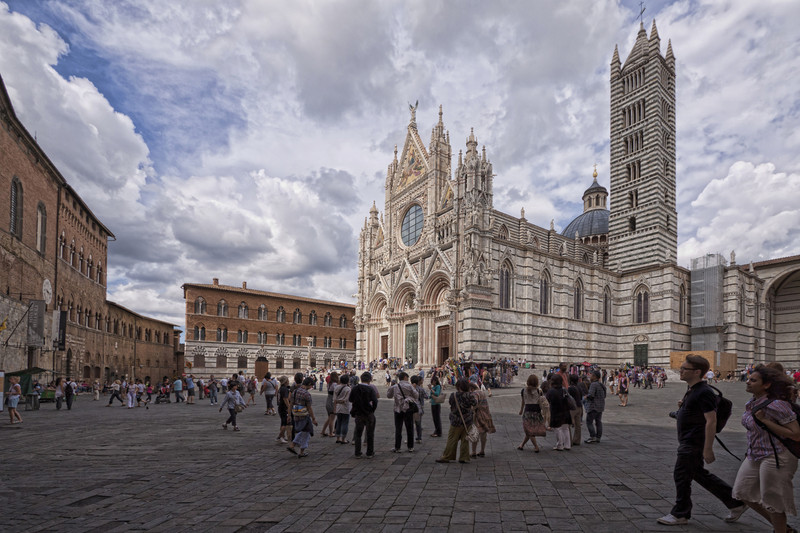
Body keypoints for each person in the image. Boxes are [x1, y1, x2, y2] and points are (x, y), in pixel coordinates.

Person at [657, 354, 745, 526]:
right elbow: (696, 415)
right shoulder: (693, 390)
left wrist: (708, 448)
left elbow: (711, 420)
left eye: (684, 368)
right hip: (688, 440)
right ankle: (736, 502)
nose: (680, 371)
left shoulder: (704, 392)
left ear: (697, 372)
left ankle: (680, 513)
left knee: (681, 475)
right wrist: (682, 411)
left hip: (693, 442)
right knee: (698, 474)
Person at [731, 365, 800, 532]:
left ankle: (780, 529)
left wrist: (766, 421)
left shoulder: (777, 405)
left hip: (777, 456)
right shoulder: (752, 402)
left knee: (773, 501)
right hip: (755, 454)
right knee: (742, 491)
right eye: (748, 378)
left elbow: (796, 434)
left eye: (753, 380)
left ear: (766, 385)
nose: (747, 382)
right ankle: (782, 527)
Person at [435, 378, 477, 463]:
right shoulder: (470, 395)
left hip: (456, 420)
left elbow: (451, 403)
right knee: (465, 439)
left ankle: (447, 456)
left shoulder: (453, 395)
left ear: (458, 386)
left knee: (452, 439)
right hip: (467, 420)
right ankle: (464, 457)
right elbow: (475, 403)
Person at [387, 371, 419, 453]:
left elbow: (389, 396)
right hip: (408, 409)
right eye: (407, 377)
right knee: (410, 427)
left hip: (397, 409)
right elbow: (416, 395)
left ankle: (397, 447)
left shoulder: (395, 386)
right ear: (405, 377)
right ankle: (410, 447)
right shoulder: (410, 386)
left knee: (398, 428)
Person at [349, 372, 378, 458]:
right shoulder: (371, 389)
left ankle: (357, 452)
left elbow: (350, 399)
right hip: (368, 413)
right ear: (370, 380)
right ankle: (369, 452)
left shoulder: (355, 388)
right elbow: (375, 401)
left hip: (358, 413)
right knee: (370, 433)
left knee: (358, 433)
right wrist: (372, 410)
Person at [287, 377, 318, 457]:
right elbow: (309, 408)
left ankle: (295, 446)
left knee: (304, 431)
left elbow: (291, 404)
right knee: (307, 431)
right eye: (311, 386)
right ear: (308, 384)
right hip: (304, 415)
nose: (311, 387)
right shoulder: (306, 394)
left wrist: (289, 415)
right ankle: (298, 449)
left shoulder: (295, 391)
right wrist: (313, 419)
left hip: (296, 414)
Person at [519, 374, 546, 452]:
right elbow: (542, 401)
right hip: (536, 411)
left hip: (527, 411)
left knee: (529, 429)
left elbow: (523, 401)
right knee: (529, 429)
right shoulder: (539, 390)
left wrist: (521, 410)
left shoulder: (523, 390)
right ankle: (522, 445)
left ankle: (536, 446)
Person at [546, 374, 572, 451]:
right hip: (565, 411)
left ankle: (560, 445)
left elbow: (547, 400)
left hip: (556, 411)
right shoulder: (564, 389)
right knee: (565, 428)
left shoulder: (551, 391)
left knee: (558, 429)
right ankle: (568, 445)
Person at [469, 382, 495, 457]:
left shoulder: (474, 393)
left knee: (475, 433)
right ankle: (482, 450)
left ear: (471, 388)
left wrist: (472, 408)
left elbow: (475, 403)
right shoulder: (482, 392)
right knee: (483, 433)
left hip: (478, 415)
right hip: (486, 414)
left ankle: (473, 451)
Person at [585, 370, 606, 443]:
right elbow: (604, 395)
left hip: (593, 406)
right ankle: (598, 437)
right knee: (598, 422)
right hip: (600, 406)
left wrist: (586, 397)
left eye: (591, 375)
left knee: (589, 422)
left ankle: (593, 436)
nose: (590, 376)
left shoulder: (593, 384)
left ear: (594, 377)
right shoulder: (601, 384)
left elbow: (591, 395)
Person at [333, 375, 352, 444]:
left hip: (338, 407)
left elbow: (334, 399)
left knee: (338, 423)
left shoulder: (336, 387)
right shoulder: (348, 389)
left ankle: (338, 438)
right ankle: (343, 439)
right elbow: (346, 400)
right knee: (345, 423)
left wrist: (335, 407)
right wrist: (341, 401)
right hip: (345, 408)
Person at [410, 375, 429, 443]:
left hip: (410, 408)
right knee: (418, 424)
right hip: (418, 408)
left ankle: (410, 438)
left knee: (410, 424)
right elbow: (427, 396)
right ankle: (419, 438)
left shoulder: (409, 388)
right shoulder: (421, 389)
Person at [321, 371, 339, 438]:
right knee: (332, 419)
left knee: (329, 418)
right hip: (332, 402)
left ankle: (323, 431)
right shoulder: (335, 384)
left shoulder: (329, 384)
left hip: (328, 400)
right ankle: (331, 433)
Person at [568, 374, 583, 446]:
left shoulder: (570, 388)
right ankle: (577, 440)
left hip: (572, 408)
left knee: (568, 424)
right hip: (579, 406)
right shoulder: (579, 387)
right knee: (578, 425)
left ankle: (569, 441)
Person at [275, 376, 291, 444]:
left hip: (281, 407)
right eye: (287, 380)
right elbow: (285, 399)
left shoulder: (281, 388)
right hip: (283, 408)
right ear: (285, 381)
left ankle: (281, 436)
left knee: (283, 423)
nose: (288, 381)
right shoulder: (284, 389)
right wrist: (289, 407)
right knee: (285, 423)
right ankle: (280, 437)